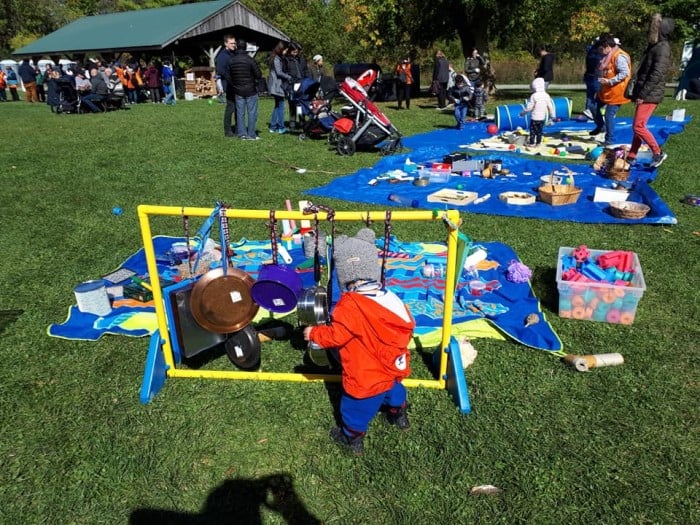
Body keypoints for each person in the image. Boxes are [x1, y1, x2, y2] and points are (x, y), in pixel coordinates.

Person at [303, 228, 415, 456]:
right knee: (394, 392)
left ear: (344, 274)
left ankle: (351, 438)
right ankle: (398, 415)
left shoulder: (350, 305)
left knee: (354, 408)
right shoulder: (391, 298)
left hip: (364, 375)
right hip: (391, 367)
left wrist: (314, 333)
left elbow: (337, 335)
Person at [627, 14, 675, 168]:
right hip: (645, 90)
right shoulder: (655, 45)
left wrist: (643, 94)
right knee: (638, 127)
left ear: (661, 30)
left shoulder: (663, 48)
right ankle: (631, 156)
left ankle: (657, 152)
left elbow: (657, 73)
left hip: (650, 93)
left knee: (638, 126)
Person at [590, 33, 632, 146]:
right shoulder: (606, 57)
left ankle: (609, 140)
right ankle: (601, 126)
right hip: (606, 91)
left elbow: (625, 73)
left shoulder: (619, 56)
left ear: (608, 46)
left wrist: (610, 81)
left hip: (617, 92)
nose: (599, 51)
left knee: (609, 115)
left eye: (600, 49)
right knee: (593, 106)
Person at [227, 38, 263, 140]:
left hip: (238, 90)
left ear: (237, 47)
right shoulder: (250, 60)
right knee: (252, 112)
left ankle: (242, 134)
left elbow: (228, 76)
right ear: (246, 47)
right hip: (251, 89)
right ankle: (251, 134)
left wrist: (234, 84)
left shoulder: (231, 60)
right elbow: (258, 74)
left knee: (240, 112)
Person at [520, 77, 556, 147]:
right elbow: (551, 107)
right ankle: (538, 142)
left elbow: (529, 108)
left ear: (535, 87)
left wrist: (523, 113)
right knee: (539, 131)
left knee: (532, 131)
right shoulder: (546, 95)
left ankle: (532, 142)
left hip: (534, 118)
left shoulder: (534, 96)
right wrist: (553, 116)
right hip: (542, 118)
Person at [267, 41, 292, 133]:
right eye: (285, 50)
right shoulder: (276, 59)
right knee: (281, 106)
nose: (286, 52)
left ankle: (273, 126)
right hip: (277, 85)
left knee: (277, 106)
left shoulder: (276, 58)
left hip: (276, 84)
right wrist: (289, 77)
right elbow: (279, 72)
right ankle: (281, 127)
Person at [283, 42, 309, 131]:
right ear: (290, 51)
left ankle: (302, 121)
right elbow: (284, 72)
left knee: (300, 104)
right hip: (292, 84)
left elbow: (305, 71)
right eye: (293, 52)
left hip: (301, 83)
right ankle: (292, 122)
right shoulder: (286, 60)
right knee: (292, 104)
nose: (295, 53)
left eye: (296, 52)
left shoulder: (301, 59)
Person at [583, 39, 603, 119]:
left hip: (588, 75)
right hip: (596, 76)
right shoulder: (598, 53)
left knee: (590, 95)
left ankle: (589, 110)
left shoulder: (590, 51)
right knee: (600, 94)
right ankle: (593, 111)